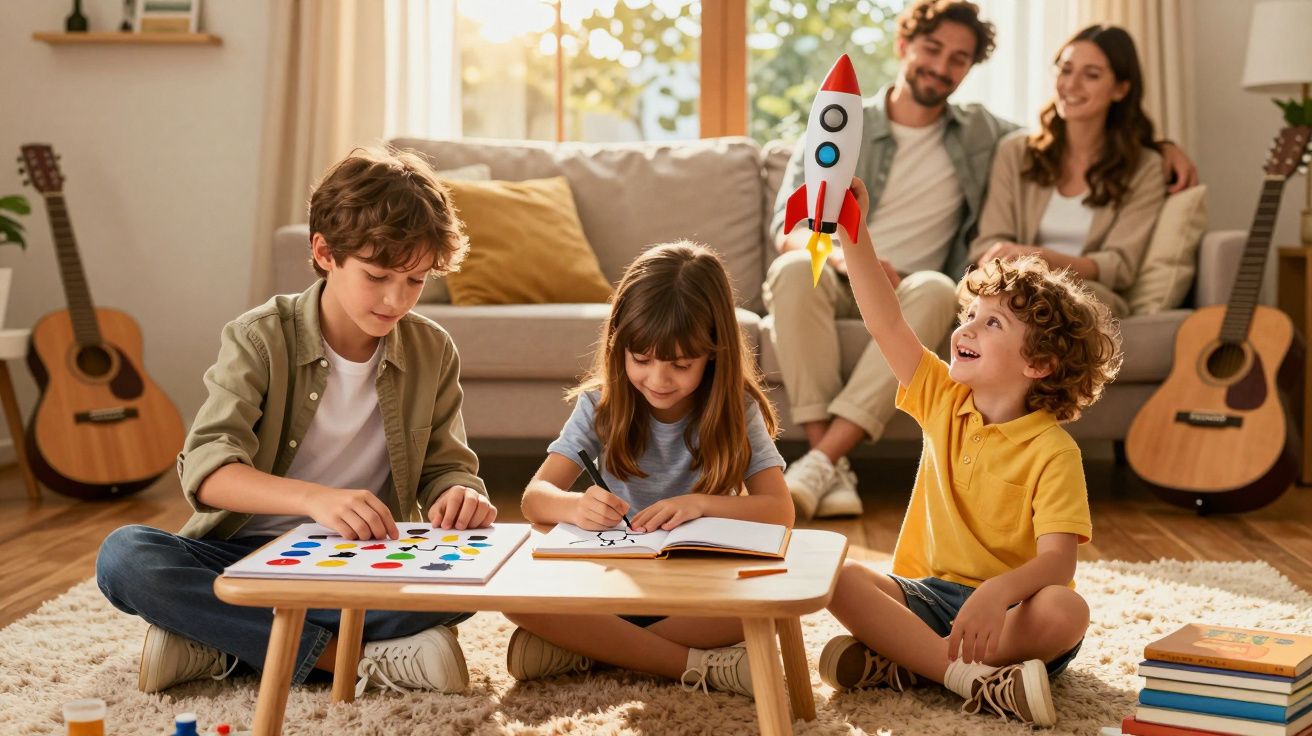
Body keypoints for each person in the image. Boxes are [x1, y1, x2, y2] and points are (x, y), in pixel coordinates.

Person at [764, 0, 1195, 520]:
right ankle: (826, 458)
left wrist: (1163, 146)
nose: (943, 67)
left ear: (970, 69)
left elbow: (1072, 127)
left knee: (936, 289)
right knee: (792, 270)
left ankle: (821, 461)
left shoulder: (982, 135)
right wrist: (845, 260)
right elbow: (789, 229)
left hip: (913, 288)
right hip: (835, 270)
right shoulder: (841, 122)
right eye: (932, 50)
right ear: (903, 46)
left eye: (959, 58)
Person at [96, 147, 497, 696]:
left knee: (473, 583)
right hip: (245, 556)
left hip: (362, 560)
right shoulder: (259, 337)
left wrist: (459, 494)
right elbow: (209, 471)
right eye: (379, 275)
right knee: (124, 556)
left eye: (415, 281)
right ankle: (351, 658)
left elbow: (447, 466)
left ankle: (218, 643)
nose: (395, 299)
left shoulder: (432, 349)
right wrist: (314, 500)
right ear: (325, 251)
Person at [814, 175, 1122, 726]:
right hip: (927, 596)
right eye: (969, 317)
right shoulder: (942, 397)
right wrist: (850, 228)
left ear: (1038, 364)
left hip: (1012, 617)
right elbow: (884, 318)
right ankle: (962, 676)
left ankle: (905, 663)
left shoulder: (1055, 452)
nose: (967, 329)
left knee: (1067, 609)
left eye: (992, 322)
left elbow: (1058, 561)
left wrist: (996, 593)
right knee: (833, 573)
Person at [504, 241, 793, 698]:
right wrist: (576, 506)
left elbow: (780, 511)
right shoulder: (600, 405)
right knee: (513, 595)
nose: (658, 380)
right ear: (619, 345)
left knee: (772, 608)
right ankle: (695, 666)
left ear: (713, 354)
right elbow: (534, 498)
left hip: (694, 591)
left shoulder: (737, 409)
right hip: (614, 588)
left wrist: (698, 505)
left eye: (681, 365)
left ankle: (592, 650)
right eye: (641, 360)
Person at [970, 25, 1167, 318]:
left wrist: (1040, 258)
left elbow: (1120, 266)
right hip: (1013, 287)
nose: (1071, 85)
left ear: (1121, 89)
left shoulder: (1144, 167)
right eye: (1065, 70)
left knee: (1053, 301)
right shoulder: (1016, 152)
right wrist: (1016, 263)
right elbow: (989, 243)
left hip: (1088, 294)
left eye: (1091, 75)